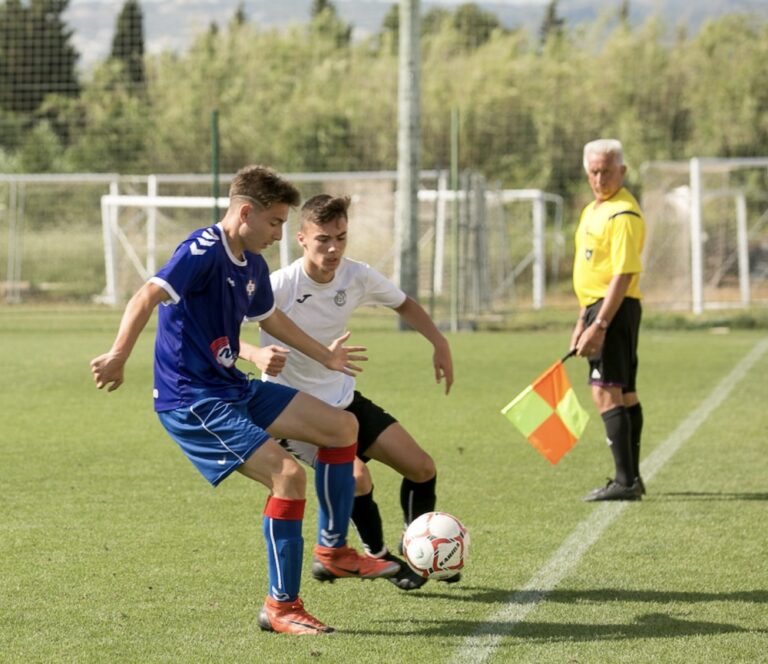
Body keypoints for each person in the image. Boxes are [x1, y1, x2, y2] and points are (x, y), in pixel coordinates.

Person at [89, 166, 398, 636]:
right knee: (288, 475)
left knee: (342, 428)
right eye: (275, 223)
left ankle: (333, 551)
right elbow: (146, 295)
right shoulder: (202, 250)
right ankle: (281, 607)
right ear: (246, 212)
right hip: (191, 399)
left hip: (231, 386)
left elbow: (273, 321)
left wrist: (326, 357)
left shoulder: (252, 264)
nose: (279, 234)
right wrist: (118, 354)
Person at [240, 193, 454, 591]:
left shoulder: (357, 275)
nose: (334, 247)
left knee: (422, 467)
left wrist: (439, 343)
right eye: (323, 239)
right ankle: (376, 555)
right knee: (356, 478)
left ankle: (420, 549)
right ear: (301, 238)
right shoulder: (279, 286)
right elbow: (224, 331)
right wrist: (255, 354)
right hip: (292, 411)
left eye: (341, 236)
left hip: (342, 401)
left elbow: (405, 305)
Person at [570, 139, 646, 502]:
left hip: (612, 311)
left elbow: (623, 274)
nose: (600, 178)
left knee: (605, 391)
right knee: (625, 392)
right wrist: (580, 321)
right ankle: (631, 477)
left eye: (607, 171)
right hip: (598, 309)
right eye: (594, 172)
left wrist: (598, 324)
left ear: (623, 171)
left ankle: (625, 481)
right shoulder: (594, 210)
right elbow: (591, 270)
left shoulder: (623, 214)